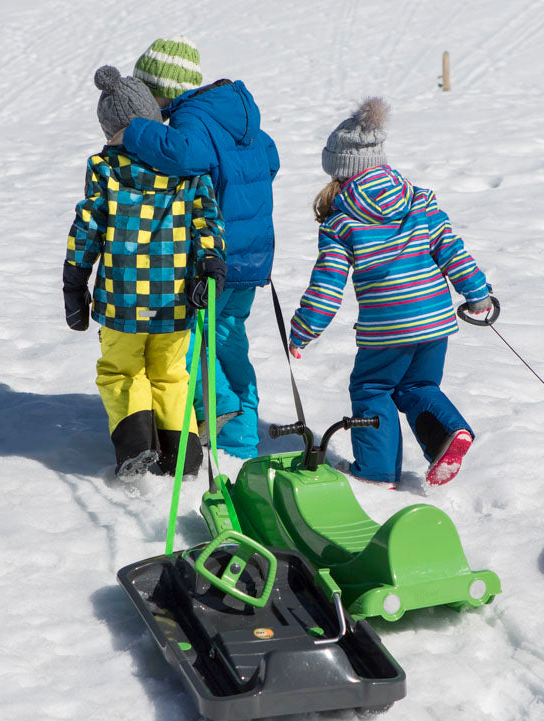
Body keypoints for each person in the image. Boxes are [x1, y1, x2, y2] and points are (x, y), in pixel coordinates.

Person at [287, 98, 494, 487]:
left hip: (387, 330)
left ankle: (377, 472)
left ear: (339, 170)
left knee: (372, 387)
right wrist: (478, 294)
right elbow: (453, 252)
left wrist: (303, 330)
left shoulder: (342, 221)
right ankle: (451, 431)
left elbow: (327, 286)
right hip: (435, 321)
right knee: (419, 386)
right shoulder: (419, 201)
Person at [118, 36, 280, 460]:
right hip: (254, 255)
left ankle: (218, 409)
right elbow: (272, 160)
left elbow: (186, 154)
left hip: (215, 255)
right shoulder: (242, 116)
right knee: (229, 339)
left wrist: (134, 131)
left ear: (160, 92)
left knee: (190, 340)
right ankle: (242, 438)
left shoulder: (192, 118)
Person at [62, 65, 227, 481]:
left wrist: (74, 281)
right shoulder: (187, 168)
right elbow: (207, 221)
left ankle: (137, 448)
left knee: (122, 371)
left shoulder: (104, 167)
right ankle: (183, 455)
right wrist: (211, 264)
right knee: (171, 374)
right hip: (174, 300)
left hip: (121, 301)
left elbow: (89, 226)